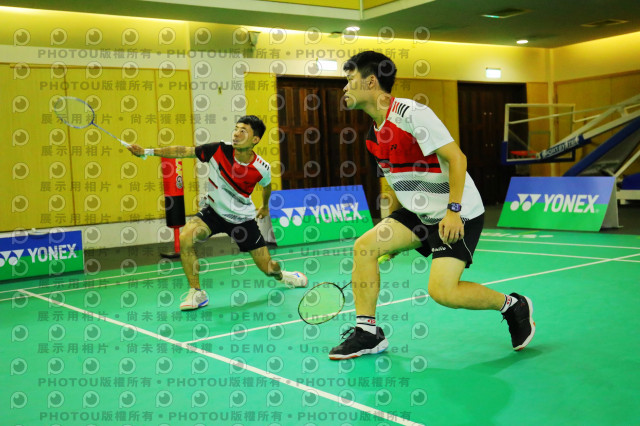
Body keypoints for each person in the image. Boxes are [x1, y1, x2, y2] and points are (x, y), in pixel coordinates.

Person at [329, 51, 535, 360]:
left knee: (444, 292)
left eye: (349, 80)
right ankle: (367, 334)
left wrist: (453, 211)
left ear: (371, 82)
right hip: (419, 212)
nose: (345, 88)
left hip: (457, 211)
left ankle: (513, 306)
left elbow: (458, 158)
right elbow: (398, 183)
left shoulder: (413, 114)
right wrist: (393, 234)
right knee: (365, 247)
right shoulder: (373, 136)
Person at [128, 115, 308, 311]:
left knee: (269, 268)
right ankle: (196, 292)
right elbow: (183, 151)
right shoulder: (218, 150)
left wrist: (265, 206)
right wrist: (147, 151)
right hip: (213, 213)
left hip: (243, 221)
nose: (236, 134)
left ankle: (284, 276)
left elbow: (266, 186)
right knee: (186, 236)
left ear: (255, 139)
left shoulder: (261, 167)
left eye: (243, 131)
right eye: (236, 128)